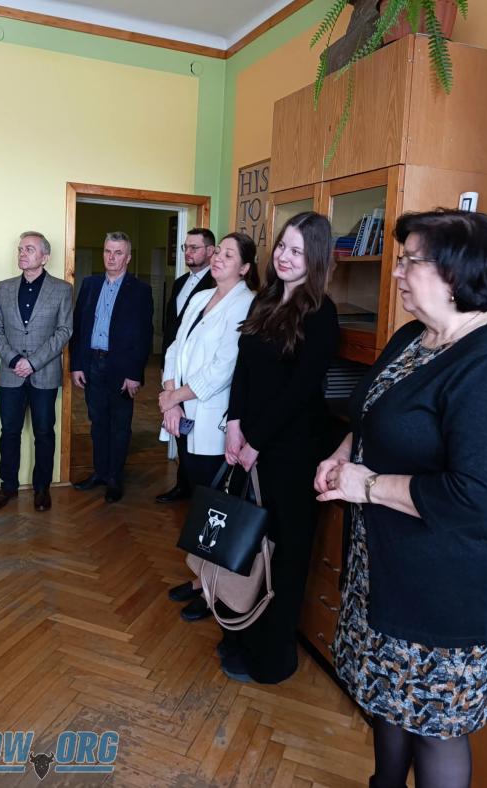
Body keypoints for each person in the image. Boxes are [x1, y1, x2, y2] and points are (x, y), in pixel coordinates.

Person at [314, 209, 487, 788]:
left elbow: (476, 497)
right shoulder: (415, 337)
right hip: (386, 568)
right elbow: (375, 415)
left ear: (457, 275)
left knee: (436, 728)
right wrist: (343, 453)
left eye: (410, 261)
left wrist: (366, 485)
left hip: (446, 591)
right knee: (388, 705)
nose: (397, 272)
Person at [222, 212, 339, 683]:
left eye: (297, 251)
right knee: (247, 545)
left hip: (291, 453)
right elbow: (243, 368)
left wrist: (257, 442)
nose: (284, 257)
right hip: (249, 443)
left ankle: (273, 658)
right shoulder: (265, 299)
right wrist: (234, 424)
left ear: (316, 258)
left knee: (283, 556)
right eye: (282, 247)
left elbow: (299, 392)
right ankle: (240, 632)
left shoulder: (321, 312)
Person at [160, 233, 259, 620]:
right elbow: (174, 348)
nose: (218, 258)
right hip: (185, 414)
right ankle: (199, 577)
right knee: (198, 502)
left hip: (213, 421)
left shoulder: (246, 304)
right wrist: (171, 397)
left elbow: (222, 369)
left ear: (245, 268)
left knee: (215, 508)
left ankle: (214, 589)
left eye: (228, 255)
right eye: (218, 252)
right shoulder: (201, 297)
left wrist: (176, 396)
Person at [0, 232, 72, 513]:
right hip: (11, 374)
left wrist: (33, 362)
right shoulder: (5, 288)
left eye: (30, 249)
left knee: (44, 433)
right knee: (9, 432)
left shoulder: (62, 289)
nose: (22, 253)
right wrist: (13, 359)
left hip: (44, 375)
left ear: (45, 257)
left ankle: (42, 488)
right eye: (20, 249)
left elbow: (64, 331)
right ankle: (8, 486)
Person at [70, 231, 153, 503]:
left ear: (128, 258)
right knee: (97, 422)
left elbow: (144, 335)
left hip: (121, 368)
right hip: (92, 363)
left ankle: (115, 478)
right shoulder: (90, 284)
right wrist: (77, 365)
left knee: (120, 425)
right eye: (108, 251)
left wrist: (134, 374)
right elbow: (79, 327)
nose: (112, 257)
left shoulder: (140, 290)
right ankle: (100, 472)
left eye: (118, 253)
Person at [156, 227, 216, 504]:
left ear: (210, 251)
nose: (188, 253)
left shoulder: (216, 286)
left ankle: (198, 492)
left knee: (197, 433)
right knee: (179, 428)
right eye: (185, 247)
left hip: (198, 374)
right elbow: (172, 329)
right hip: (173, 369)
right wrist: (165, 369)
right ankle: (183, 484)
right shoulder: (180, 282)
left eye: (194, 247)